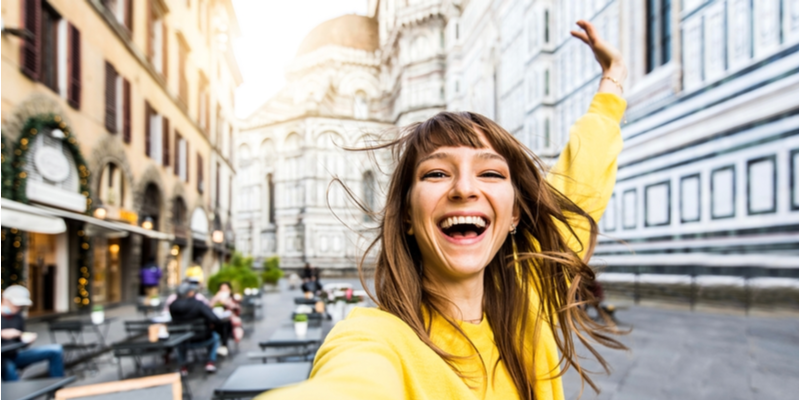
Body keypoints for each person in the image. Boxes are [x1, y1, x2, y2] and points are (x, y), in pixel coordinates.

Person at [258, 20, 626, 400]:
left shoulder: (530, 295)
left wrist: (613, 79)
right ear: (405, 215)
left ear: (514, 213)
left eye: (489, 172)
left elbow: (580, 183)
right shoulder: (376, 339)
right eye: (436, 172)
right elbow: (350, 383)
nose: (465, 188)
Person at [1, 285, 64, 381]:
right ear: (5, 300)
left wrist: (26, 340)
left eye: (20, 306)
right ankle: (18, 394)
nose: (18, 308)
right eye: (16, 305)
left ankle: (57, 391)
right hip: (2, 359)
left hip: (15, 355)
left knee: (56, 350)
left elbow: (20, 341)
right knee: (8, 368)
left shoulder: (18, 317)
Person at [169, 282, 222, 374]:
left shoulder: (172, 305)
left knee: (180, 339)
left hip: (182, 340)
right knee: (215, 337)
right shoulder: (198, 304)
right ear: (189, 292)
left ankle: (183, 366)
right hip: (203, 338)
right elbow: (214, 319)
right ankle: (210, 362)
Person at [208, 282, 244, 355]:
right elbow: (209, 306)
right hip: (217, 319)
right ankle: (215, 347)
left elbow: (237, 308)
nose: (223, 290)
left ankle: (224, 345)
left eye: (225, 288)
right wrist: (216, 298)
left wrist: (226, 302)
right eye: (222, 288)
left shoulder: (233, 297)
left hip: (230, 319)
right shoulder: (217, 297)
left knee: (225, 324)